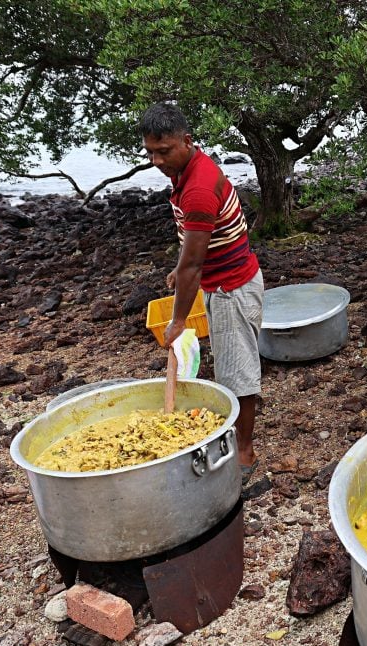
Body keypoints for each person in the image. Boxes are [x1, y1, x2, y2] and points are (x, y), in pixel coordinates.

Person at [138, 102, 263, 472]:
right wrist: (181, 271)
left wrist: (177, 321)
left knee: (237, 374)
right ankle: (240, 441)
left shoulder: (196, 188)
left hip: (232, 288)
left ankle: (245, 453)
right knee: (232, 366)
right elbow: (193, 249)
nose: (157, 161)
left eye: (164, 151)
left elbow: (194, 263)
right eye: (150, 152)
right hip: (223, 279)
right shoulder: (186, 169)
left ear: (187, 141)